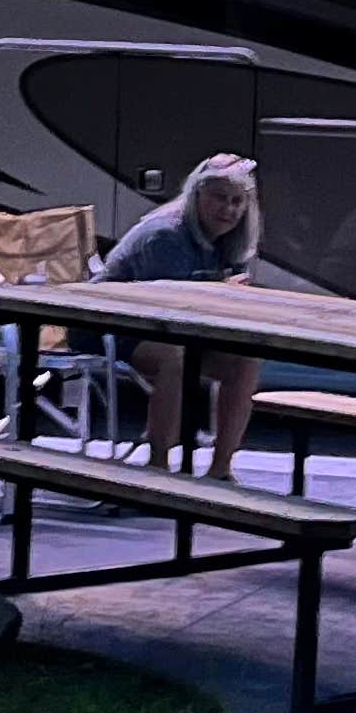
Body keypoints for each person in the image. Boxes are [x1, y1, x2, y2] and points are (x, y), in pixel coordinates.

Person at [75, 153, 262, 480]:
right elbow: (168, 306)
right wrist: (221, 288)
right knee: (174, 357)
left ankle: (220, 469)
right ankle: (159, 467)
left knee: (244, 359)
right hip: (107, 323)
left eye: (237, 201)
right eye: (220, 198)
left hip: (170, 330)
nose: (229, 210)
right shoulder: (165, 234)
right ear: (197, 195)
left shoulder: (230, 239)